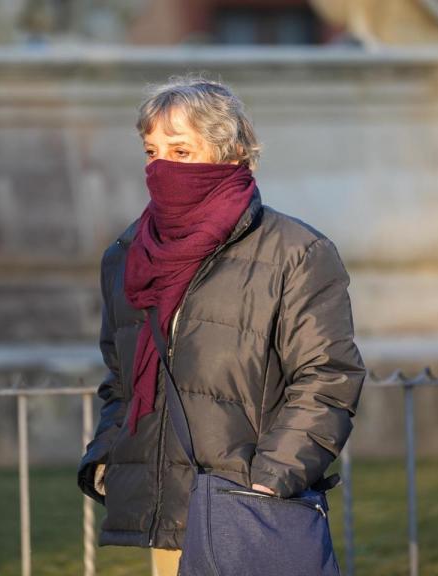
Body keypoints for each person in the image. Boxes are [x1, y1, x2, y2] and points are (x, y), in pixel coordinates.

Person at [77, 74, 365, 575]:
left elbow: (328, 377)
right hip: (167, 512)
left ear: (230, 154)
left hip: (250, 511)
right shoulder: (127, 256)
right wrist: (106, 456)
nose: (161, 167)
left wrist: (272, 478)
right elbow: (121, 380)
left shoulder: (296, 252)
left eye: (181, 152)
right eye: (151, 152)